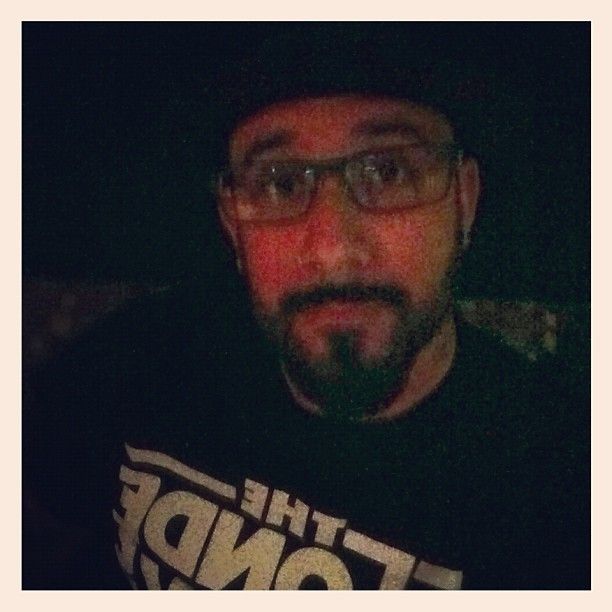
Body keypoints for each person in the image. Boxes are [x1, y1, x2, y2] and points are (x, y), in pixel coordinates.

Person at [23, 78, 589, 590]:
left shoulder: (564, 486)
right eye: (281, 182)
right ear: (232, 222)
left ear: (464, 199)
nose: (333, 251)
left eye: (389, 172)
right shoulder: (148, 353)